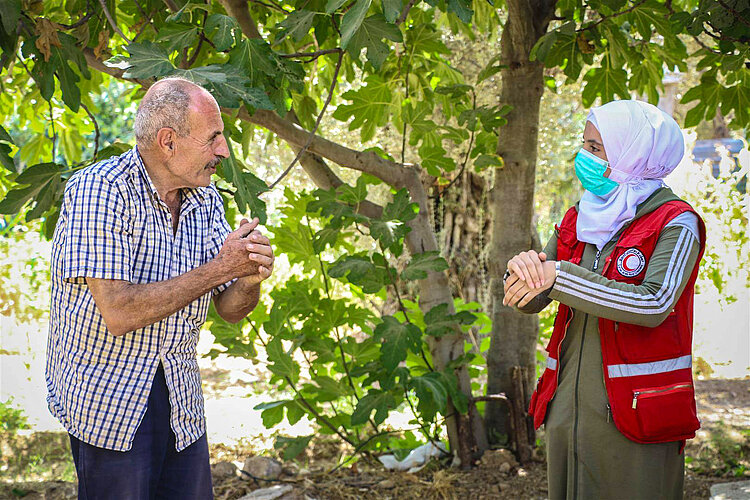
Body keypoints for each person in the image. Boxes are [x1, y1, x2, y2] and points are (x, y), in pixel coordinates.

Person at [45, 77, 274, 499]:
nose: (223, 151)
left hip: (180, 398)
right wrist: (218, 267)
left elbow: (229, 308)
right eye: (213, 139)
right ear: (168, 142)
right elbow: (119, 312)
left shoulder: (206, 201)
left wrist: (247, 277)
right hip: (109, 401)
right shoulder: (100, 191)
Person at [503, 100, 705, 499]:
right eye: (585, 145)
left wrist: (558, 277)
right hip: (570, 407)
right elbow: (536, 297)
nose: (584, 157)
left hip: (636, 410)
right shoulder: (578, 217)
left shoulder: (676, 222)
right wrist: (522, 275)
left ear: (635, 154)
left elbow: (654, 304)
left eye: (596, 149)